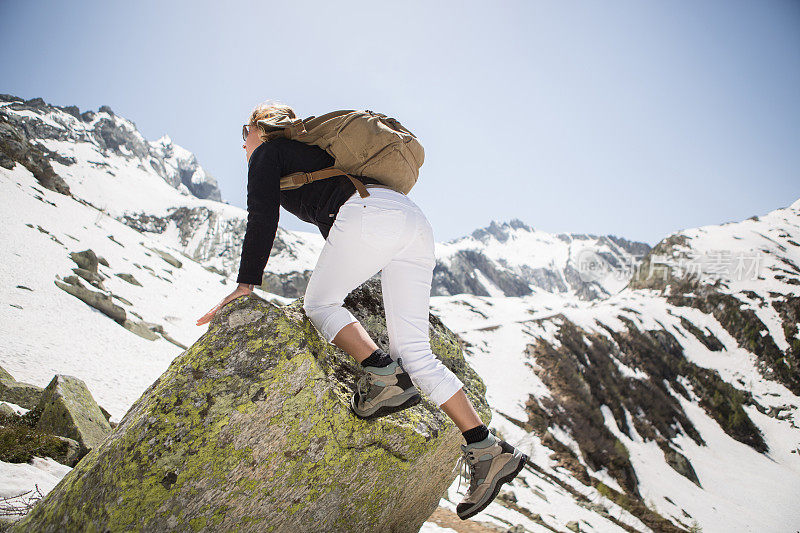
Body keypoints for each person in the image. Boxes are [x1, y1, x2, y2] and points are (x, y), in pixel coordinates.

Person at [196, 101, 528, 520]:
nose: (243, 142)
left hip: (369, 216)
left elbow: (262, 216)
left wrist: (245, 285)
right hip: (413, 222)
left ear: (260, 129)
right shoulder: (319, 153)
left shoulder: (268, 153)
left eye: (245, 131)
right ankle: (486, 447)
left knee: (319, 303)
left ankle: (385, 378)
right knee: (415, 351)